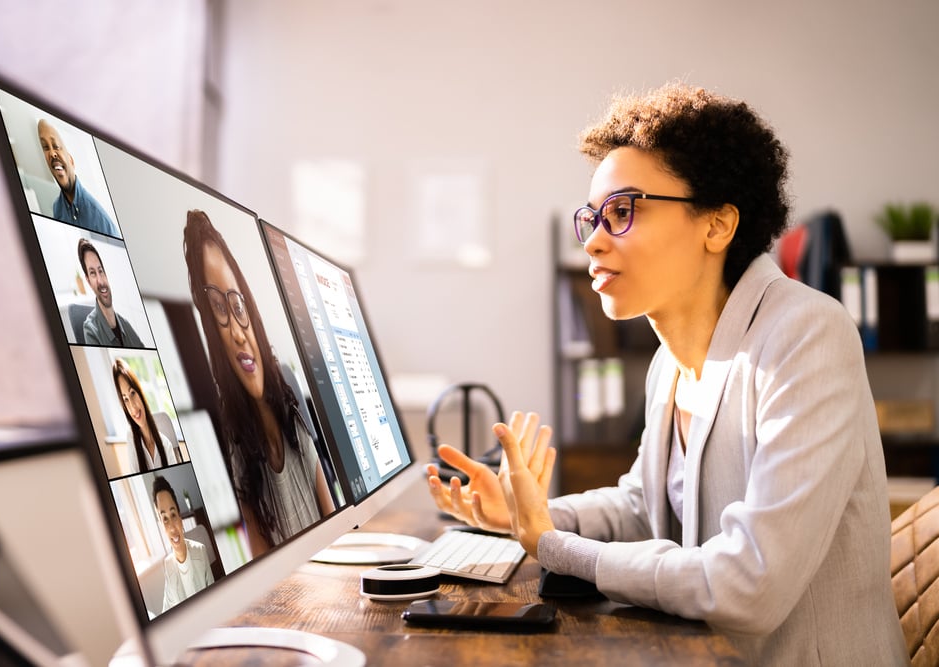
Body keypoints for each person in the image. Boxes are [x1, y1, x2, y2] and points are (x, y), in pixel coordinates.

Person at [426, 83, 908, 666]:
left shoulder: (807, 334)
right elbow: (645, 506)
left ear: (717, 225)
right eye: (592, 218)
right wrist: (528, 514)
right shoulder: (668, 366)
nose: (595, 241)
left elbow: (749, 582)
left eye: (623, 211)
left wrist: (556, 546)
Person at [183, 209, 334, 557]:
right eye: (218, 308)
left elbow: (334, 522)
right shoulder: (236, 451)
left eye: (237, 305)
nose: (237, 332)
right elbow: (270, 579)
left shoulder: (289, 400)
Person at [37, 119, 120, 237]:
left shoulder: (100, 219)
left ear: (71, 161)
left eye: (56, 146)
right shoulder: (57, 207)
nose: (52, 154)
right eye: (46, 147)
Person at [152, 475, 214, 612]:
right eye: (165, 519)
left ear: (180, 518)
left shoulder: (200, 551)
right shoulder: (168, 565)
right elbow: (167, 610)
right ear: (161, 526)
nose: (173, 528)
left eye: (173, 515)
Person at [113, 358, 179, 473]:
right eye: (126, 399)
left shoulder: (166, 445)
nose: (132, 407)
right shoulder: (131, 439)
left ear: (140, 393)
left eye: (132, 393)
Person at [78, 238, 145, 347]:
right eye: (93, 273)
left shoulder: (125, 324)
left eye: (100, 271)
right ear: (88, 281)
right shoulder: (91, 330)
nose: (100, 280)